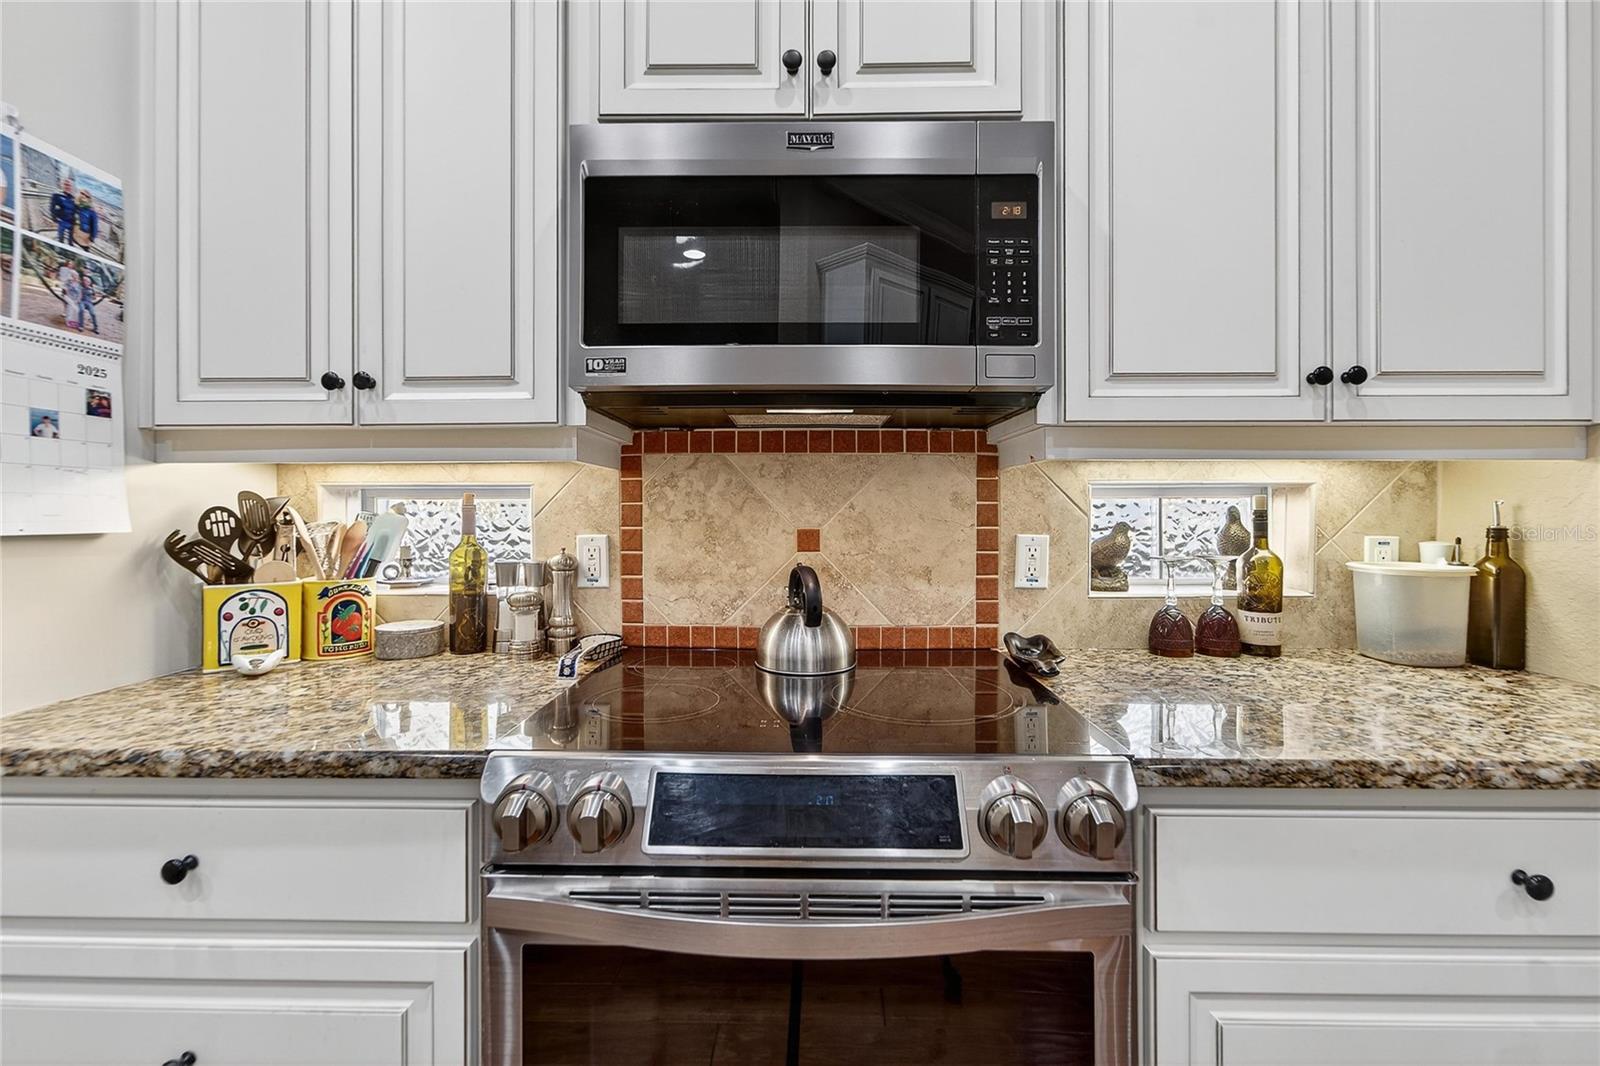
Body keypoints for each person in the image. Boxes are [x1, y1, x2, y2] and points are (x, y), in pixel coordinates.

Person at [56, 258, 81, 329]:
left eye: (71, 264)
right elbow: (62, 278)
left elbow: (76, 279)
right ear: (67, 264)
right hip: (65, 287)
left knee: (70, 302)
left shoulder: (74, 272)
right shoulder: (64, 270)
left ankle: (70, 315)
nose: (70, 265)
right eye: (69, 263)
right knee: (64, 300)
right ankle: (65, 311)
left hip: (72, 288)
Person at [50, 178, 74, 243]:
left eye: (69, 185)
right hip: (62, 221)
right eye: (65, 184)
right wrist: (54, 218)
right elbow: (52, 207)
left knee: (71, 241)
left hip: (71, 222)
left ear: (71, 187)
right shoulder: (57, 195)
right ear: (62, 185)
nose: (67, 186)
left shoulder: (73, 198)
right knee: (60, 239)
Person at [77, 269, 99, 333]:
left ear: (90, 283)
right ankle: (80, 326)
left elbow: (94, 297)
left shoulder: (92, 289)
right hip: (82, 301)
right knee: (81, 310)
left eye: (88, 282)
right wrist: (78, 300)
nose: (86, 282)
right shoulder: (81, 287)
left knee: (93, 314)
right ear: (83, 282)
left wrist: (95, 297)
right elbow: (79, 295)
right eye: (85, 281)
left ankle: (95, 328)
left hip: (89, 303)